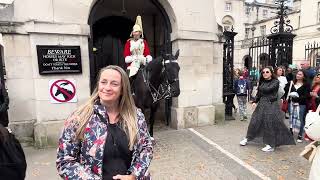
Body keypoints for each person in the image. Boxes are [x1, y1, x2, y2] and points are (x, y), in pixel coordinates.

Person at [56, 65, 153, 180]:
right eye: (104, 82)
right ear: (98, 85)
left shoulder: (136, 116)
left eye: (114, 84)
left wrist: (134, 175)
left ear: (122, 89)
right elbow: (65, 161)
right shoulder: (79, 117)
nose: (107, 87)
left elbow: (146, 148)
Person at [240, 67, 295, 152]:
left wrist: (260, 87)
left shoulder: (275, 82)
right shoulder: (262, 82)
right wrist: (255, 101)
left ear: (271, 73)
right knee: (255, 121)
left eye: (267, 72)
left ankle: (270, 144)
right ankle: (248, 138)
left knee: (269, 123)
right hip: (262, 104)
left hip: (271, 104)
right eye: (263, 72)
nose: (265, 73)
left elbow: (267, 89)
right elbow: (259, 94)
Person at [124, 15, 152, 84]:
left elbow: (147, 53)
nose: (136, 34)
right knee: (129, 76)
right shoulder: (129, 42)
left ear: (140, 33)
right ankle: (130, 89)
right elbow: (126, 56)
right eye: (135, 32)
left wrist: (147, 58)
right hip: (133, 62)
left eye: (138, 32)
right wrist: (134, 58)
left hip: (143, 61)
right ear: (132, 33)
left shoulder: (143, 42)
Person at [284, 70, 310, 143]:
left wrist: (297, 99)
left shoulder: (306, 84)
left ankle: (300, 134)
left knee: (300, 118)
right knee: (291, 118)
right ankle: (291, 131)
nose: (298, 75)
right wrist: (288, 86)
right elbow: (286, 91)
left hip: (301, 104)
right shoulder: (292, 83)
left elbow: (306, 95)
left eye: (300, 74)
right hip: (291, 103)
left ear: (303, 76)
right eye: (297, 74)